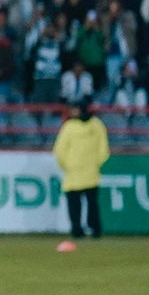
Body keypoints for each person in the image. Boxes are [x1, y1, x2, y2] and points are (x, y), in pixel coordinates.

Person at [52, 98, 110, 239]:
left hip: (90, 170)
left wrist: (96, 162)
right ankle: (77, 229)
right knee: (75, 204)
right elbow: (59, 150)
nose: (72, 111)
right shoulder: (69, 126)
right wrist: (67, 165)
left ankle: (95, 229)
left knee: (92, 204)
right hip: (74, 172)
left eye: (75, 109)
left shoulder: (96, 125)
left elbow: (103, 147)